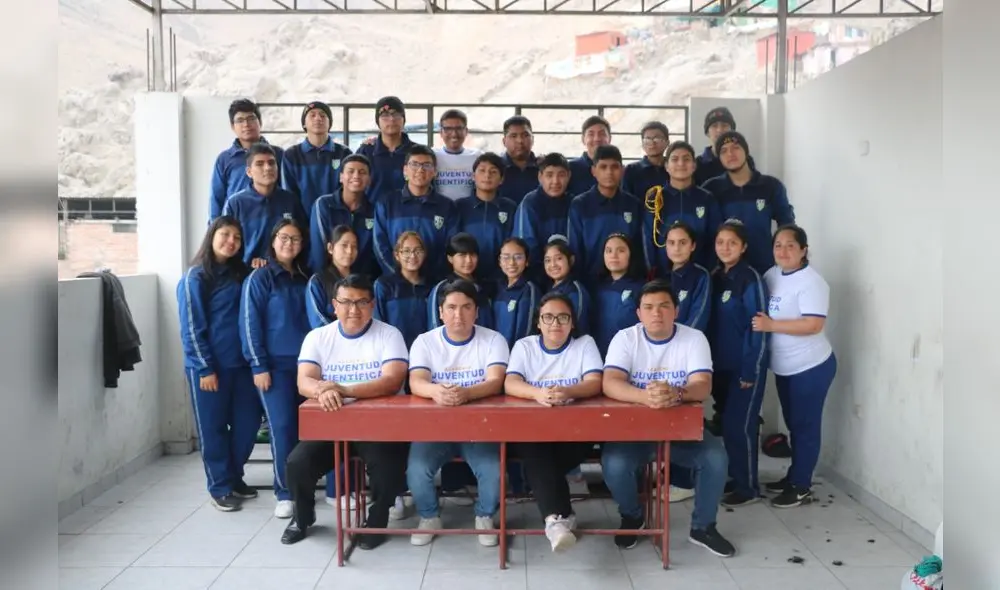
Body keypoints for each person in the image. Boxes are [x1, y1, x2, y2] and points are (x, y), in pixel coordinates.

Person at [600, 279, 736, 557]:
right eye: (648, 307)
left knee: (715, 458)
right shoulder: (625, 338)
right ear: (638, 313)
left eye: (664, 306)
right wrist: (645, 397)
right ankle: (632, 517)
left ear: (676, 310)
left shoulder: (694, 338)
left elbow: (703, 385)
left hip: (679, 429)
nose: (656, 313)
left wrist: (676, 393)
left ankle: (703, 527)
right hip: (633, 430)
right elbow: (610, 382)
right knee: (614, 464)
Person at [281, 274, 411, 549]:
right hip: (333, 423)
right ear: (334, 305)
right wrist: (322, 390)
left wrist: (343, 389)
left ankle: (375, 522)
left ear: (372, 305)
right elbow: (304, 380)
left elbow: (392, 381)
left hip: (378, 425)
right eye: (347, 302)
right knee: (297, 463)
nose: (354, 309)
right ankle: (302, 517)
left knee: (389, 468)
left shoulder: (389, 335)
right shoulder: (318, 337)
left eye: (362, 302)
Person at [407, 280, 508, 547]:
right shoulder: (425, 342)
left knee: (493, 470)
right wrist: (435, 392)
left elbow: (496, 381)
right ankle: (429, 517)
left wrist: (466, 394)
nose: (458, 315)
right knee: (416, 469)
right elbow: (416, 381)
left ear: (476, 311)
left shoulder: (493, 340)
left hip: (479, 426)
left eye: (466, 308)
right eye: (451, 308)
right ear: (440, 311)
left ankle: (485, 515)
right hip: (435, 426)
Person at [505, 292, 604, 552]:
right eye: (548, 317)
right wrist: (538, 393)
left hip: (577, 430)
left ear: (572, 322)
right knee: (535, 451)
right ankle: (556, 520)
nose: (555, 323)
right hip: (531, 429)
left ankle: (558, 518)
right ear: (538, 322)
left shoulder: (584, 344)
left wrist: (569, 392)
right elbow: (510, 382)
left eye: (563, 317)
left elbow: (595, 382)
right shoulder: (524, 346)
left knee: (537, 465)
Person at [176, 216, 261, 511]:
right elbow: (191, 328)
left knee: (247, 426)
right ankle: (220, 486)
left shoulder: (240, 275)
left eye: (237, 237)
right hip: (209, 369)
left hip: (242, 366)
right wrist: (204, 368)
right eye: (225, 235)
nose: (231, 242)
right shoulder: (195, 277)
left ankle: (233, 475)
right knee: (212, 429)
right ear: (211, 236)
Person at [754, 224, 837, 508]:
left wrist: (771, 325)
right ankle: (794, 476)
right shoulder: (772, 275)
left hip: (810, 367)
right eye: (778, 245)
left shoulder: (812, 282)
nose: (784, 250)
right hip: (785, 367)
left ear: (803, 250)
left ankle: (801, 486)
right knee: (794, 425)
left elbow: (813, 324)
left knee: (805, 427)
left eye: (791, 245)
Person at [239, 219, 312, 518]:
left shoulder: (307, 278)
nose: (289, 243)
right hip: (275, 369)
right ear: (273, 241)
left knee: (309, 430)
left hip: (307, 368)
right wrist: (259, 365)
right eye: (284, 237)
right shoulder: (260, 278)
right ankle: (285, 493)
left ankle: (305, 486)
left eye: (295, 239)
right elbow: (249, 323)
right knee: (282, 428)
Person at [708, 219, 769, 507]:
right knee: (727, 424)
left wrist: (751, 369)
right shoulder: (716, 277)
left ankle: (749, 487)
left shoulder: (750, 279)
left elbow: (757, 327)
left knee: (739, 426)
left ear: (743, 246)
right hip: (719, 367)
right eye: (720, 242)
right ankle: (737, 476)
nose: (725, 248)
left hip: (744, 369)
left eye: (732, 242)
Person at [701, 131, 794, 274]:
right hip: (724, 271)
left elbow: (787, 224)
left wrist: (787, 258)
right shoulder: (711, 189)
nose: (730, 154)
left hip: (764, 268)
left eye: (736, 148)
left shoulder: (771, 186)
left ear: (746, 151)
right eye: (724, 151)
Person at [373, 145, 459, 281]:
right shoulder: (387, 203)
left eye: (427, 165)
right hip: (395, 283)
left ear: (435, 172)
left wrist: (430, 278)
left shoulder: (447, 206)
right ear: (405, 170)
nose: (420, 170)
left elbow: (450, 247)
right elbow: (380, 244)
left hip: (433, 283)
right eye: (415, 164)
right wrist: (398, 275)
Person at [567, 145, 645, 286]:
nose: (609, 172)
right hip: (591, 283)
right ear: (593, 171)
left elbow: (639, 247)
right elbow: (575, 249)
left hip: (628, 283)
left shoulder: (633, 204)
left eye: (614, 167)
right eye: (603, 167)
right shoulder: (580, 204)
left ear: (622, 171)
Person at [222, 144, 308, 269]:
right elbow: (226, 244)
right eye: (260, 164)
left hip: (286, 271)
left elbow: (303, 236)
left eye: (272, 163)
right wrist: (247, 261)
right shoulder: (235, 204)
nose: (267, 168)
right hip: (247, 273)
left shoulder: (290, 200)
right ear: (249, 172)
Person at [644, 141, 721, 275]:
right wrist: (653, 271)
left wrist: (708, 272)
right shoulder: (655, 198)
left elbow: (715, 236)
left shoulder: (707, 198)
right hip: (664, 276)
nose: (681, 164)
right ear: (666, 166)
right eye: (675, 159)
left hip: (700, 276)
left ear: (694, 166)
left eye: (686, 159)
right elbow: (647, 238)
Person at [209, 99, 284, 221]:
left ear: (260, 122)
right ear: (233, 127)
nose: (246, 124)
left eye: (251, 119)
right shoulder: (225, 159)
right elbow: (216, 199)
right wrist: (215, 231)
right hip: (236, 223)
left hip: (272, 221)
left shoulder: (278, 154)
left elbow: (285, 190)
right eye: (240, 120)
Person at [308, 154, 378, 279]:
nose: (356, 176)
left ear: (369, 180)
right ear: (341, 177)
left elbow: (373, 253)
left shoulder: (375, 211)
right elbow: (319, 250)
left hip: (361, 283)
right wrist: (325, 282)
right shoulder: (323, 205)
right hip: (328, 280)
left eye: (362, 172)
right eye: (350, 171)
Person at [281, 101, 354, 215]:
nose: (318, 118)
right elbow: (289, 195)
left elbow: (349, 191)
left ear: (330, 123)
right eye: (312, 115)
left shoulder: (344, 153)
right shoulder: (291, 155)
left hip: (337, 223)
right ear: (304, 123)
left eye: (323, 115)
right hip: (302, 224)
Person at [455, 152, 517, 282]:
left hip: (501, 277)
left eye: (493, 172)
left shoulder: (510, 207)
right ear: (473, 176)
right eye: (482, 171)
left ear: (501, 179)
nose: (487, 176)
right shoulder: (460, 206)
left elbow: (514, 242)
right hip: (465, 276)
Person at [512, 153, 573, 284]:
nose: (555, 181)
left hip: (569, 276)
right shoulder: (529, 204)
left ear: (569, 176)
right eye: (549, 175)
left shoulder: (574, 203)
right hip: (537, 277)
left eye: (561, 175)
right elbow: (526, 246)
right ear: (540, 177)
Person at [373, 231, 430, 350]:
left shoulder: (432, 287)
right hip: (393, 352)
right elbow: (377, 323)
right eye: (406, 251)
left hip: (425, 352)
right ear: (397, 255)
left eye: (418, 250)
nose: (413, 256)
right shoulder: (384, 285)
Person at [590, 234, 645, 358]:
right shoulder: (596, 288)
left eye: (621, 250)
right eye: (608, 251)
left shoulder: (641, 288)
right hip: (597, 355)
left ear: (631, 254)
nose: (613, 255)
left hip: (630, 355)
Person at [355, 96, 417, 203]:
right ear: (377, 121)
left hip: (407, 216)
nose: (392, 119)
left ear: (404, 120)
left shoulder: (417, 152)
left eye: (396, 114)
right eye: (385, 115)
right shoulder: (366, 151)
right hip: (371, 215)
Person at [427, 233, 495, 330]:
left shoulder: (483, 288)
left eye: (472, 255)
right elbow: (434, 326)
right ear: (450, 258)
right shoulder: (442, 288)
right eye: (462, 255)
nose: (468, 260)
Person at [491, 237, 539, 348]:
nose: (512, 262)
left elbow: (528, 330)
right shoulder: (497, 288)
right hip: (496, 354)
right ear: (499, 261)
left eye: (518, 257)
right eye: (506, 257)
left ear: (527, 261)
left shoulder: (529, 290)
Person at [665, 221, 712, 334]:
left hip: (687, 344)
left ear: (693, 246)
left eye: (683, 243)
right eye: (671, 243)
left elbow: (699, 316)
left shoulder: (701, 276)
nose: (676, 248)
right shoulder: (660, 276)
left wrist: (680, 342)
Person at [306, 224, 357, 328]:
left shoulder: (360, 282)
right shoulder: (318, 282)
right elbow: (318, 322)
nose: (350, 251)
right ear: (330, 248)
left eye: (354, 246)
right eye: (344, 245)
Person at [693, 107, 756, 186]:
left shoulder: (745, 159)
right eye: (714, 126)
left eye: (724, 125)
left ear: (732, 131)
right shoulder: (698, 164)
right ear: (707, 133)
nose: (719, 130)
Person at [543, 240, 591, 335]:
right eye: (548, 260)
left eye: (559, 258)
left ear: (571, 260)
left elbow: (578, 326)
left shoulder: (575, 291)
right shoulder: (549, 289)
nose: (553, 264)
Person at [433, 109, 481, 201]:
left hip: (468, 211)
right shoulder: (432, 156)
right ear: (441, 133)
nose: (454, 134)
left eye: (459, 129)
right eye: (448, 129)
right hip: (440, 210)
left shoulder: (477, 157)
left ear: (466, 131)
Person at [621, 121, 669, 203]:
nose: (652, 143)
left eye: (657, 139)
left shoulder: (674, 168)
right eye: (647, 139)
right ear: (643, 144)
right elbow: (625, 200)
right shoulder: (631, 170)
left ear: (667, 142)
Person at [567, 115, 612, 197]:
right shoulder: (570, 169)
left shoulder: (617, 170)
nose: (596, 139)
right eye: (591, 134)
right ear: (583, 139)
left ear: (609, 138)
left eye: (602, 134)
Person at [498, 115, 539, 204]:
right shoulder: (495, 169)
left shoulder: (543, 168)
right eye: (513, 136)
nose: (520, 140)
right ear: (504, 141)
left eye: (525, 135)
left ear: (532, 139)